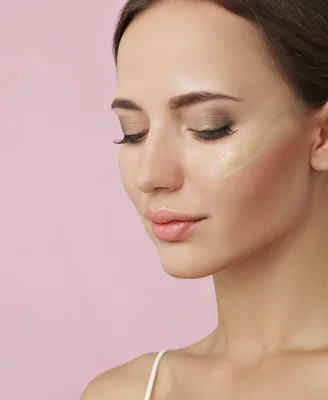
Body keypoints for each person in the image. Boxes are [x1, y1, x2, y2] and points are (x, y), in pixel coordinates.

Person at [81, 0, 328, 399]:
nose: (150, 175)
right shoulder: (127, 392)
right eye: (133, 132)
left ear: (323, 136)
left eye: (208, 127)